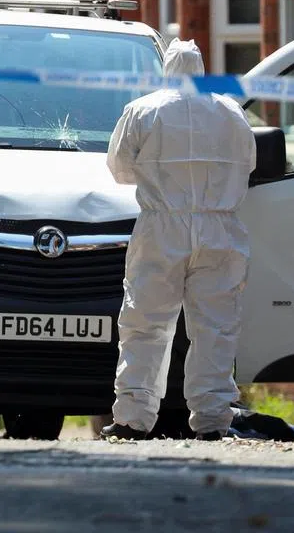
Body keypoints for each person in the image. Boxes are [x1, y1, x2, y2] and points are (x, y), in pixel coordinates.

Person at [101, 39, 257, 441]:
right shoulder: (231, 112)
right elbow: (248, 164)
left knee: (145, 323)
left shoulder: (143, 110)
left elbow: (118, 168)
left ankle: (133, 418)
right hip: (219, 228)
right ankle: (211, 419)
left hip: (162, 225)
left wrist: (157, 177)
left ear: (166, 69)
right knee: (215, 328)